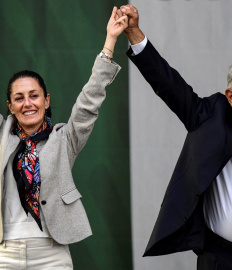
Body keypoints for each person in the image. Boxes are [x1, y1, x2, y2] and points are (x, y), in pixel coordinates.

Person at [118, 4, 232, 270]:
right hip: (219, 258)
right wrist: (134, 33)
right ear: (231, 98)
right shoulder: (211, 117)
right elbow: (168, 84)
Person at [0, 7, 128, 270]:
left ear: (46, 101)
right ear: (10, 106)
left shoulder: (64, 139)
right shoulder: (2, 135)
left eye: (34, 95)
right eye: (19, 98)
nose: (28, 103)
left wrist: (110, 41)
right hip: (5, 252)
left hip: (51, 252)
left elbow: (89, 101)